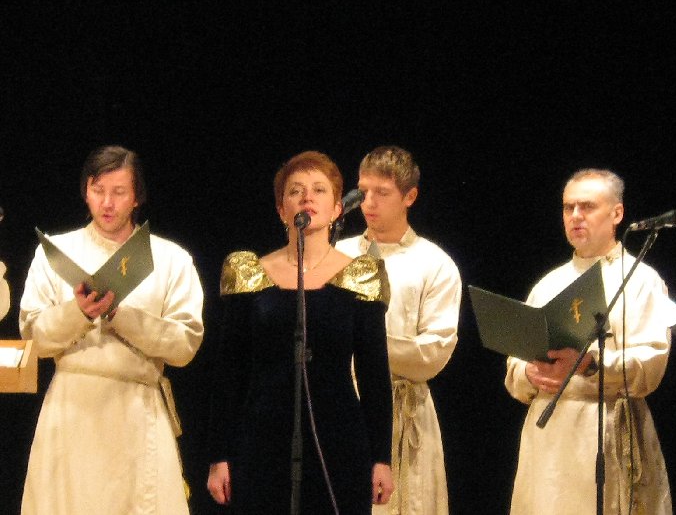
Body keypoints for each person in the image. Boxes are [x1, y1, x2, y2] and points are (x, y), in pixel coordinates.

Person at [206, 150, 394, 514]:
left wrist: (381, 458)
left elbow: (374, 373)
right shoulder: (249, 273)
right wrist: (219, 455)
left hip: (339, 441)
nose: (307, 197)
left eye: (319, 189)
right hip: (261, 440)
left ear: (337, 208)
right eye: (295, 190)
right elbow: (229, 371)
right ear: (281, 209)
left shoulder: (361, 275)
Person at [19, 145, 204, 515]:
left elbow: (184, 344)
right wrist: (78, 312)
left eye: (119, 192)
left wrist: (121, 315)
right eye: (98, 190)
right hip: (71, 408)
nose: (107, 203)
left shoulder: (170, 259)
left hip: (136, 409)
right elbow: (34, 337)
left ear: (137, 197)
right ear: (85, 192)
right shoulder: (56, 252)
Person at [505, 169, 673, 514]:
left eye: (587, 206)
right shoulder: (548, 283)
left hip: (607, 426)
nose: (575, 216)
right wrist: (528, 374)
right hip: (548, 438)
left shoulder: (642, 280)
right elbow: (516, 361)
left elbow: (652, 364)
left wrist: (591, 363)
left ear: (617, 213)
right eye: (568, 208)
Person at [335, 146, 462, 515]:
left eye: (382, 192)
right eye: (363, 191)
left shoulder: (433, 263)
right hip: (342, 404)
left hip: (404, 408)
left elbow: (433, 353)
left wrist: (363, 346)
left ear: (410, 196)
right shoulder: (337, 254)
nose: (369, 202)